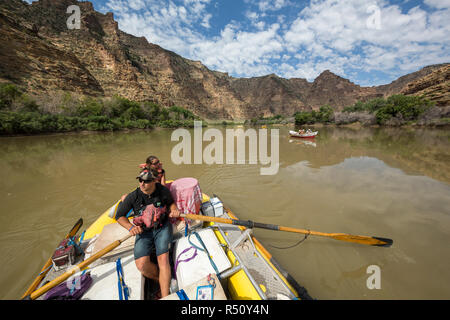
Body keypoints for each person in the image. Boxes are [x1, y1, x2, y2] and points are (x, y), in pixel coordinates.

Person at [115, 169, 180, 298]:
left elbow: (171, 203)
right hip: (143, 231)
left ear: (154, 181)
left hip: (162, 227)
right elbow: (119, 216)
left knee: (163, 260)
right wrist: (130, 228)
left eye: (147, 181)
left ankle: (165, 295)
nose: (142, 184)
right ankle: (160, 279)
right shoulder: (133, 196)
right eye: (140, 180)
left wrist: (174, 210)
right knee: (142, 264)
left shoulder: (162, 191)